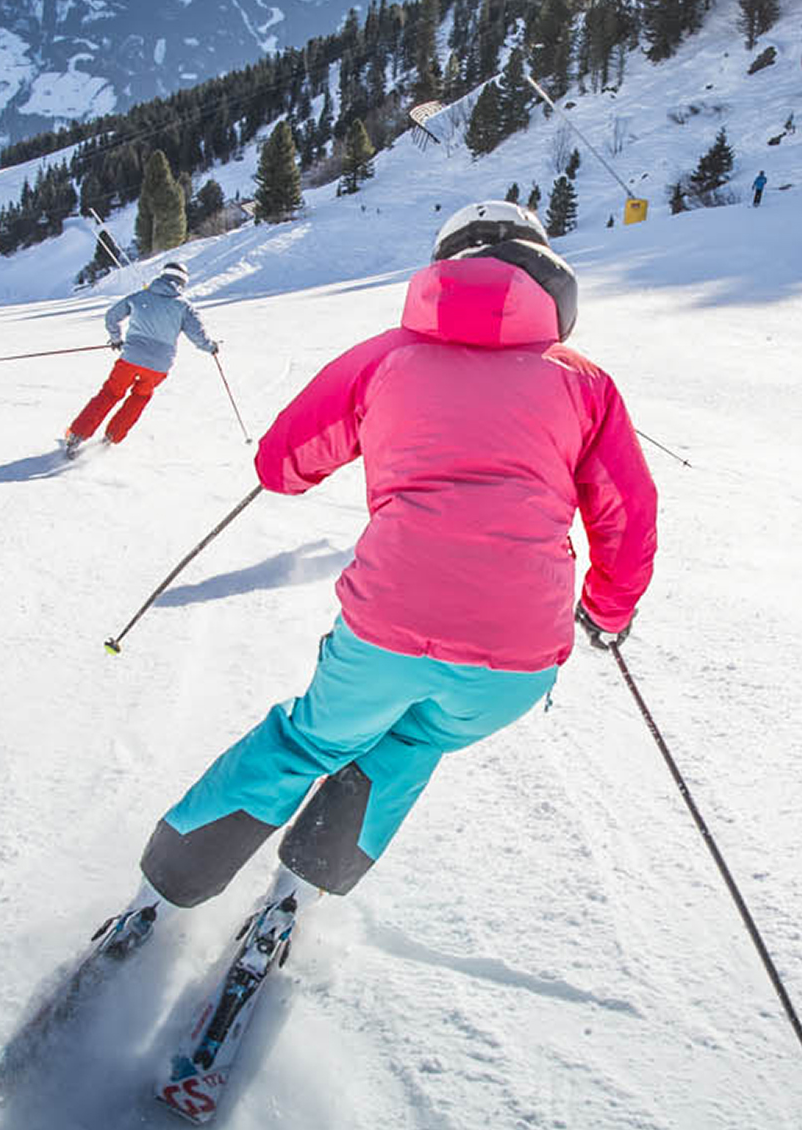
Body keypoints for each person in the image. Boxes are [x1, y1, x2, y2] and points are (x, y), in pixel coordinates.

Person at [64, 201, 656, 992]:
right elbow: (627, 514)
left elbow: (284, 462)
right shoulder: (584, 382)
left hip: (387, 631)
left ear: (441, 268)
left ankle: (164, 891)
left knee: (309, 742)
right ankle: (299, 895)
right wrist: (608, 611)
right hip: (515, 662)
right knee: (412, 745)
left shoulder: (387, 357)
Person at [63, 260, 218, 455]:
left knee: (110, 393)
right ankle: (113, 436)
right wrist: (211, 347)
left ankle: (77, 435)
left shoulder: (140, 296)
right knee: (140, 397)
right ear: (183, 282)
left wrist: (116, 339)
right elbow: (198, 336)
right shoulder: (184, 307)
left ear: (162, 275)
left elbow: (112, 316)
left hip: (131, 358)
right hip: (159, 367)